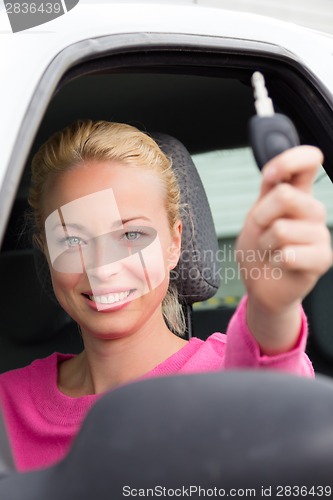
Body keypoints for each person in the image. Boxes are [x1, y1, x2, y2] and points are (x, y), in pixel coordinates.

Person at [0, 120, 331, 472]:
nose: (102, 268)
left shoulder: (227, 376)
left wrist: (272, 309)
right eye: (72, 241)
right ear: (46, 253)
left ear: (174, 244)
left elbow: (275, 412)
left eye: (130, 235)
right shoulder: (7, 404)